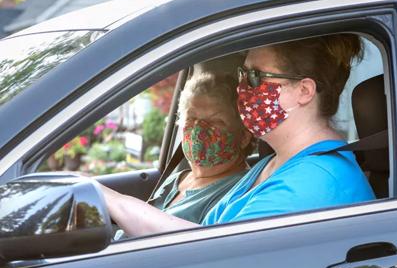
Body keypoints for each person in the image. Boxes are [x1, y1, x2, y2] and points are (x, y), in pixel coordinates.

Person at [103, 33, 375, 236]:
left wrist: (115, 201)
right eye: (242, 73)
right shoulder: (275, 164)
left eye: (256, 77)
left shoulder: (313, 182)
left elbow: (209, 257)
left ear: (303, 91)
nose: (241, 87)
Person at [103, 73, 253, 227]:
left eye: (215, 121)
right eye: (191, 118)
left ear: (244, 138)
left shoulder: (237, 193)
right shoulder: (179, 178)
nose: (198, 129)